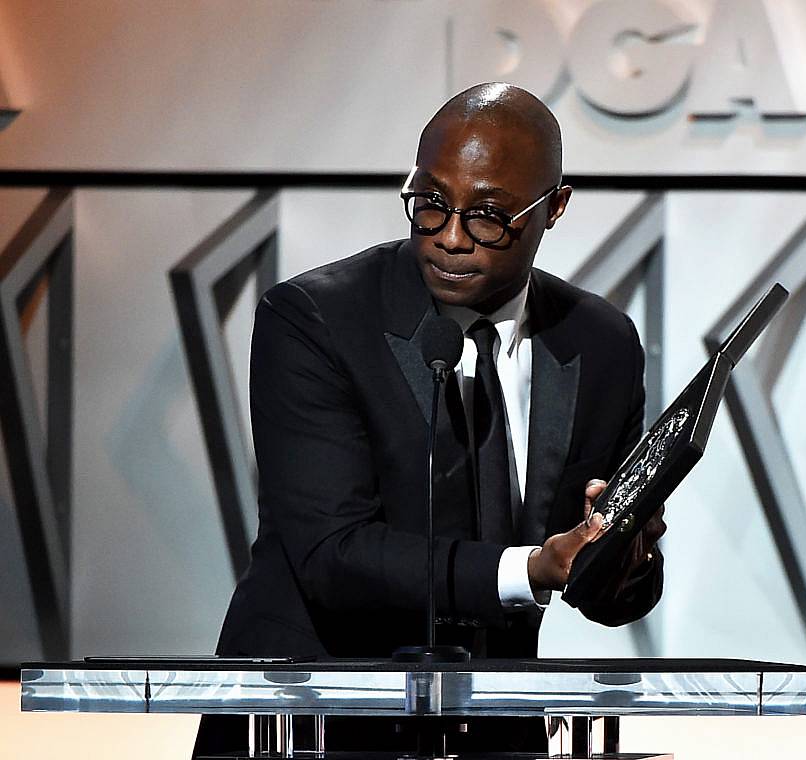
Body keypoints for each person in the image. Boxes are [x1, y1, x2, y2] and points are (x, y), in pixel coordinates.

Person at [193, 82, 666, 757]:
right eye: (431, 203)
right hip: (309, 722)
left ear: (554, 208)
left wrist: (623, 560)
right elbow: (333, 555)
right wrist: (530, 569)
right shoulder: (315, 320)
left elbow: (605, 596)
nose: (448, 238)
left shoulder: (600, 342)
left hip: (497, 733)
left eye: (489, 216)